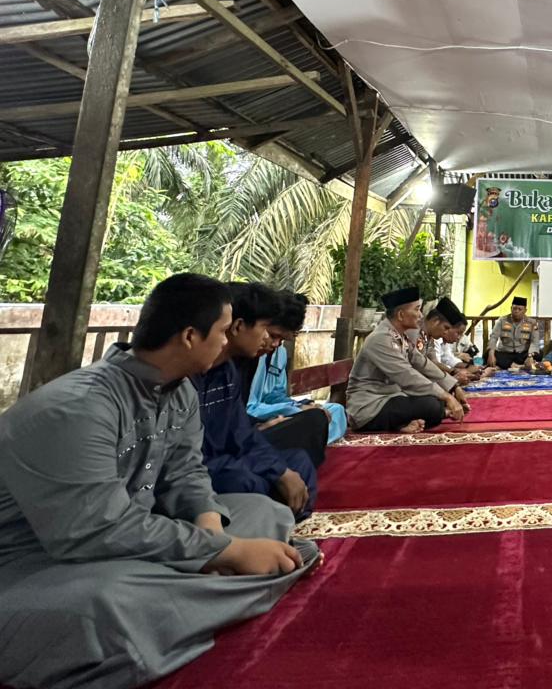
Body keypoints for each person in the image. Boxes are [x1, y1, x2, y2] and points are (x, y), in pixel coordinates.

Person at [0, 274, 318, 689]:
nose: (227, 343)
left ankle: (203, 598)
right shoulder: (77, 408)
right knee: (108, 605)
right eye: (223, 332)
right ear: (190, 336)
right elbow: (96, 531)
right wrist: (224, 551)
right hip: (40, 567)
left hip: (134, 547)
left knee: (264, 512)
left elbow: (187, 472)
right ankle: (229, 592)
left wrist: (211, 530)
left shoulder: (180, 392)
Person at [192, 282, 319, 520]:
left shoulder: (226, 370)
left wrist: (281, 471)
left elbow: (241, 433)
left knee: (298, 463)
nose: (270, 341)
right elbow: (188, 458)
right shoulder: (186, 372)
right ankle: (267, 517)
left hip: (232, 455)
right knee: (244, 481)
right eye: (268, 331)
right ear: (237, 326)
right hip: (205, 465)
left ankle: (276, 516)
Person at [347, 287, 467, 434]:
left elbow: (423, 363)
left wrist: (453, 387)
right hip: (369, 405)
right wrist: (447, 396)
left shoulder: (400, 337)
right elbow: (407, 376)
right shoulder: (381, 339)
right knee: (432, 406)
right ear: (401, 315)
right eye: (417, 309)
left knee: (436, 401)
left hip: (390, 398)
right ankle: (438, 414)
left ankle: (402, 423)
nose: (421, 315)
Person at [247, 290, 348, 453]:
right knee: (313, 420)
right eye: (273, 336)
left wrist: (302, 405)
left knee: (335, 410)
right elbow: (250, 408)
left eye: (281, 339)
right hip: (257, 418)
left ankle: (311, 438)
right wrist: (295, 410)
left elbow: (275, 395)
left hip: (275, 412)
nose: (276, 343)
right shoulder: (252, 354)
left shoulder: (279, 353)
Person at [487, 295, 544, 370]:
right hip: (505, 353)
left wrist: (530, 356)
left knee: (539, 353)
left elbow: (534, 341)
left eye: (520, 309)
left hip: (522, 354)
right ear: (511, 308)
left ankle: (507, 365)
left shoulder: (532, 323)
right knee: (487, 354)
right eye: (514, 308)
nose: (516, 311)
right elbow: (493, 337)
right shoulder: (502, 321)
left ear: (525, 310)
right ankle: (519, 366)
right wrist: (491, 353)